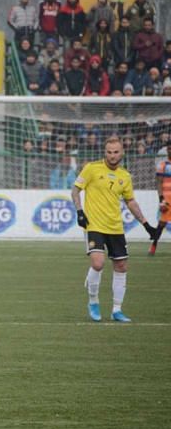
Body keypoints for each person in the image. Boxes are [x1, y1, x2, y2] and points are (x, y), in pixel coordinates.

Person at [71, 137, 157, 323]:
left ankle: (117, 310)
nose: (112, 155)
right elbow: (75, 189)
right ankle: (93, 301)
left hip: (116, 227)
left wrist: (146, 224)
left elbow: (130, 201)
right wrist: (79, 211)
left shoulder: (125, 176)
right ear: (105, 152)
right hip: (94, 225)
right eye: (109, 152)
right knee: (98, 263)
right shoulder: (92, 168)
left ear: (122, 152)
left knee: (121, 266)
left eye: (116, 152)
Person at [149, 143, 171, 256]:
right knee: (162, 223)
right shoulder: (163, 165)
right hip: (167, 199)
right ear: (167, 150)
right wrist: (161, 198)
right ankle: (154, 244)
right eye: (169, 148)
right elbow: (159, 182)